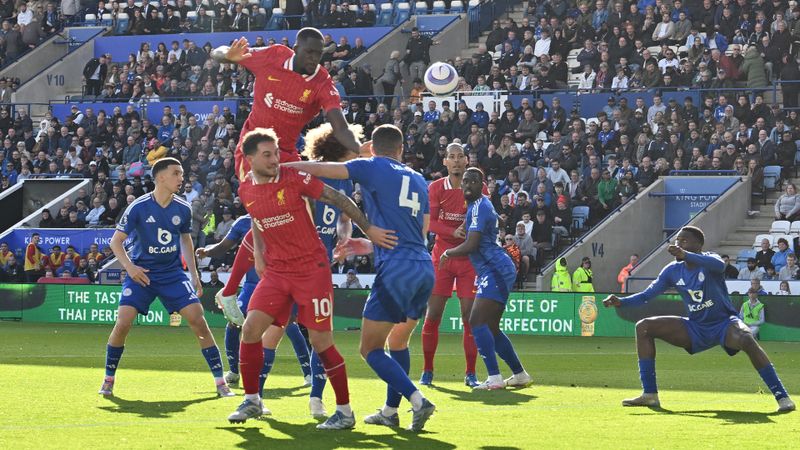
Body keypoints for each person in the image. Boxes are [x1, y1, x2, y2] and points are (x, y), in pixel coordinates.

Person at [225, 128, 394, 429]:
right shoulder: (245, 189)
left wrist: (369, 229)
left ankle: (344, 410)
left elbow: (340, 200)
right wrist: (261, 255)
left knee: (321, 342)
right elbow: (256, 219)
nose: (275, 159)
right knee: (250, 329)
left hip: (311, 270)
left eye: (276, 153)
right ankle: (252, 400)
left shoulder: (294, 179)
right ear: (250, 159)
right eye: (267, 154)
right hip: (277, 272)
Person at [285, 124, 437, 431]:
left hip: (396, 270)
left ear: (373, 148)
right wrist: (364, 244)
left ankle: (418, 400)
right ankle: (390, 412)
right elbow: (415, 234)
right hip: (423, 266)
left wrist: (284, 166)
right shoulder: (419, 180)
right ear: (401, 149)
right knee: (398, 342)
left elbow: (330, 169)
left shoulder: (371, 167)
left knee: (369, 349)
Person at [602, 226, 794, 412]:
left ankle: (782, 396)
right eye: (677, 240)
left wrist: (685, 254)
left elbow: (719, 266)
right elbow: (646, 295)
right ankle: (650, 394)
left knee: (746, 337)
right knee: (643, 327)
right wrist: (621, 302)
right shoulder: (672, 270)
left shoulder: (711, 259)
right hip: (695, 327)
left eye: (684, 240)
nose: (679, 243)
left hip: (724, 323)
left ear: (699, 244)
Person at [99, 158, 232, 398]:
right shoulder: (138, 207)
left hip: (172, 274)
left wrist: (194, 275)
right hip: (142, 274)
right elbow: (115, 242)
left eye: (181, 173)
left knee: (199, 321)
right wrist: (130, 268)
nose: (182, 178)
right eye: (176, 173)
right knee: (123, 322)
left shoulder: (183, 208)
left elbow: (185, 239)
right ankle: (109, 379)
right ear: (160, 177)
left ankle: (220, 382)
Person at [439, 167, 532, 391]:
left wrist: (448, 252)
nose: (467, 185)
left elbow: (472, 245)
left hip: (495, 268)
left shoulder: (480, 206)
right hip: (492, 269)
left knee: (476, 321)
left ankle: (494, 376)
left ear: (481, 185)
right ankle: (519, 374)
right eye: (465, 182)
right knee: (490, 327)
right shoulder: (476, 207)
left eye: (472, 182)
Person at [419, 143, 481, 388]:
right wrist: (452, 230)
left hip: (468, 261)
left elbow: (483, 218)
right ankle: (427, 370)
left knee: (469, 318)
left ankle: (470, 373)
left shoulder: (479, 187)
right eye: (451, 157)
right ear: (445, 162)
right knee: (433, 315)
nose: (456, 161)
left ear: (467, 160)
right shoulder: (435, 188)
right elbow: (430, 223)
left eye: (460, 156)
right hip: (442, 259)